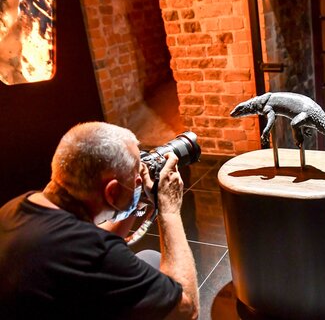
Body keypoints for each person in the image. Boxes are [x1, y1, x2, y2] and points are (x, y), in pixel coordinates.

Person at [0, 122, 199, 319]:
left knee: (150, 258)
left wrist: (135, 197)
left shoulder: (16, 208)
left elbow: (96, 241)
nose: (139, 179)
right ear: (112, 191)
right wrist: (169, 209)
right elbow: (187, 311)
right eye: (135, 179)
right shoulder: (94, 253)